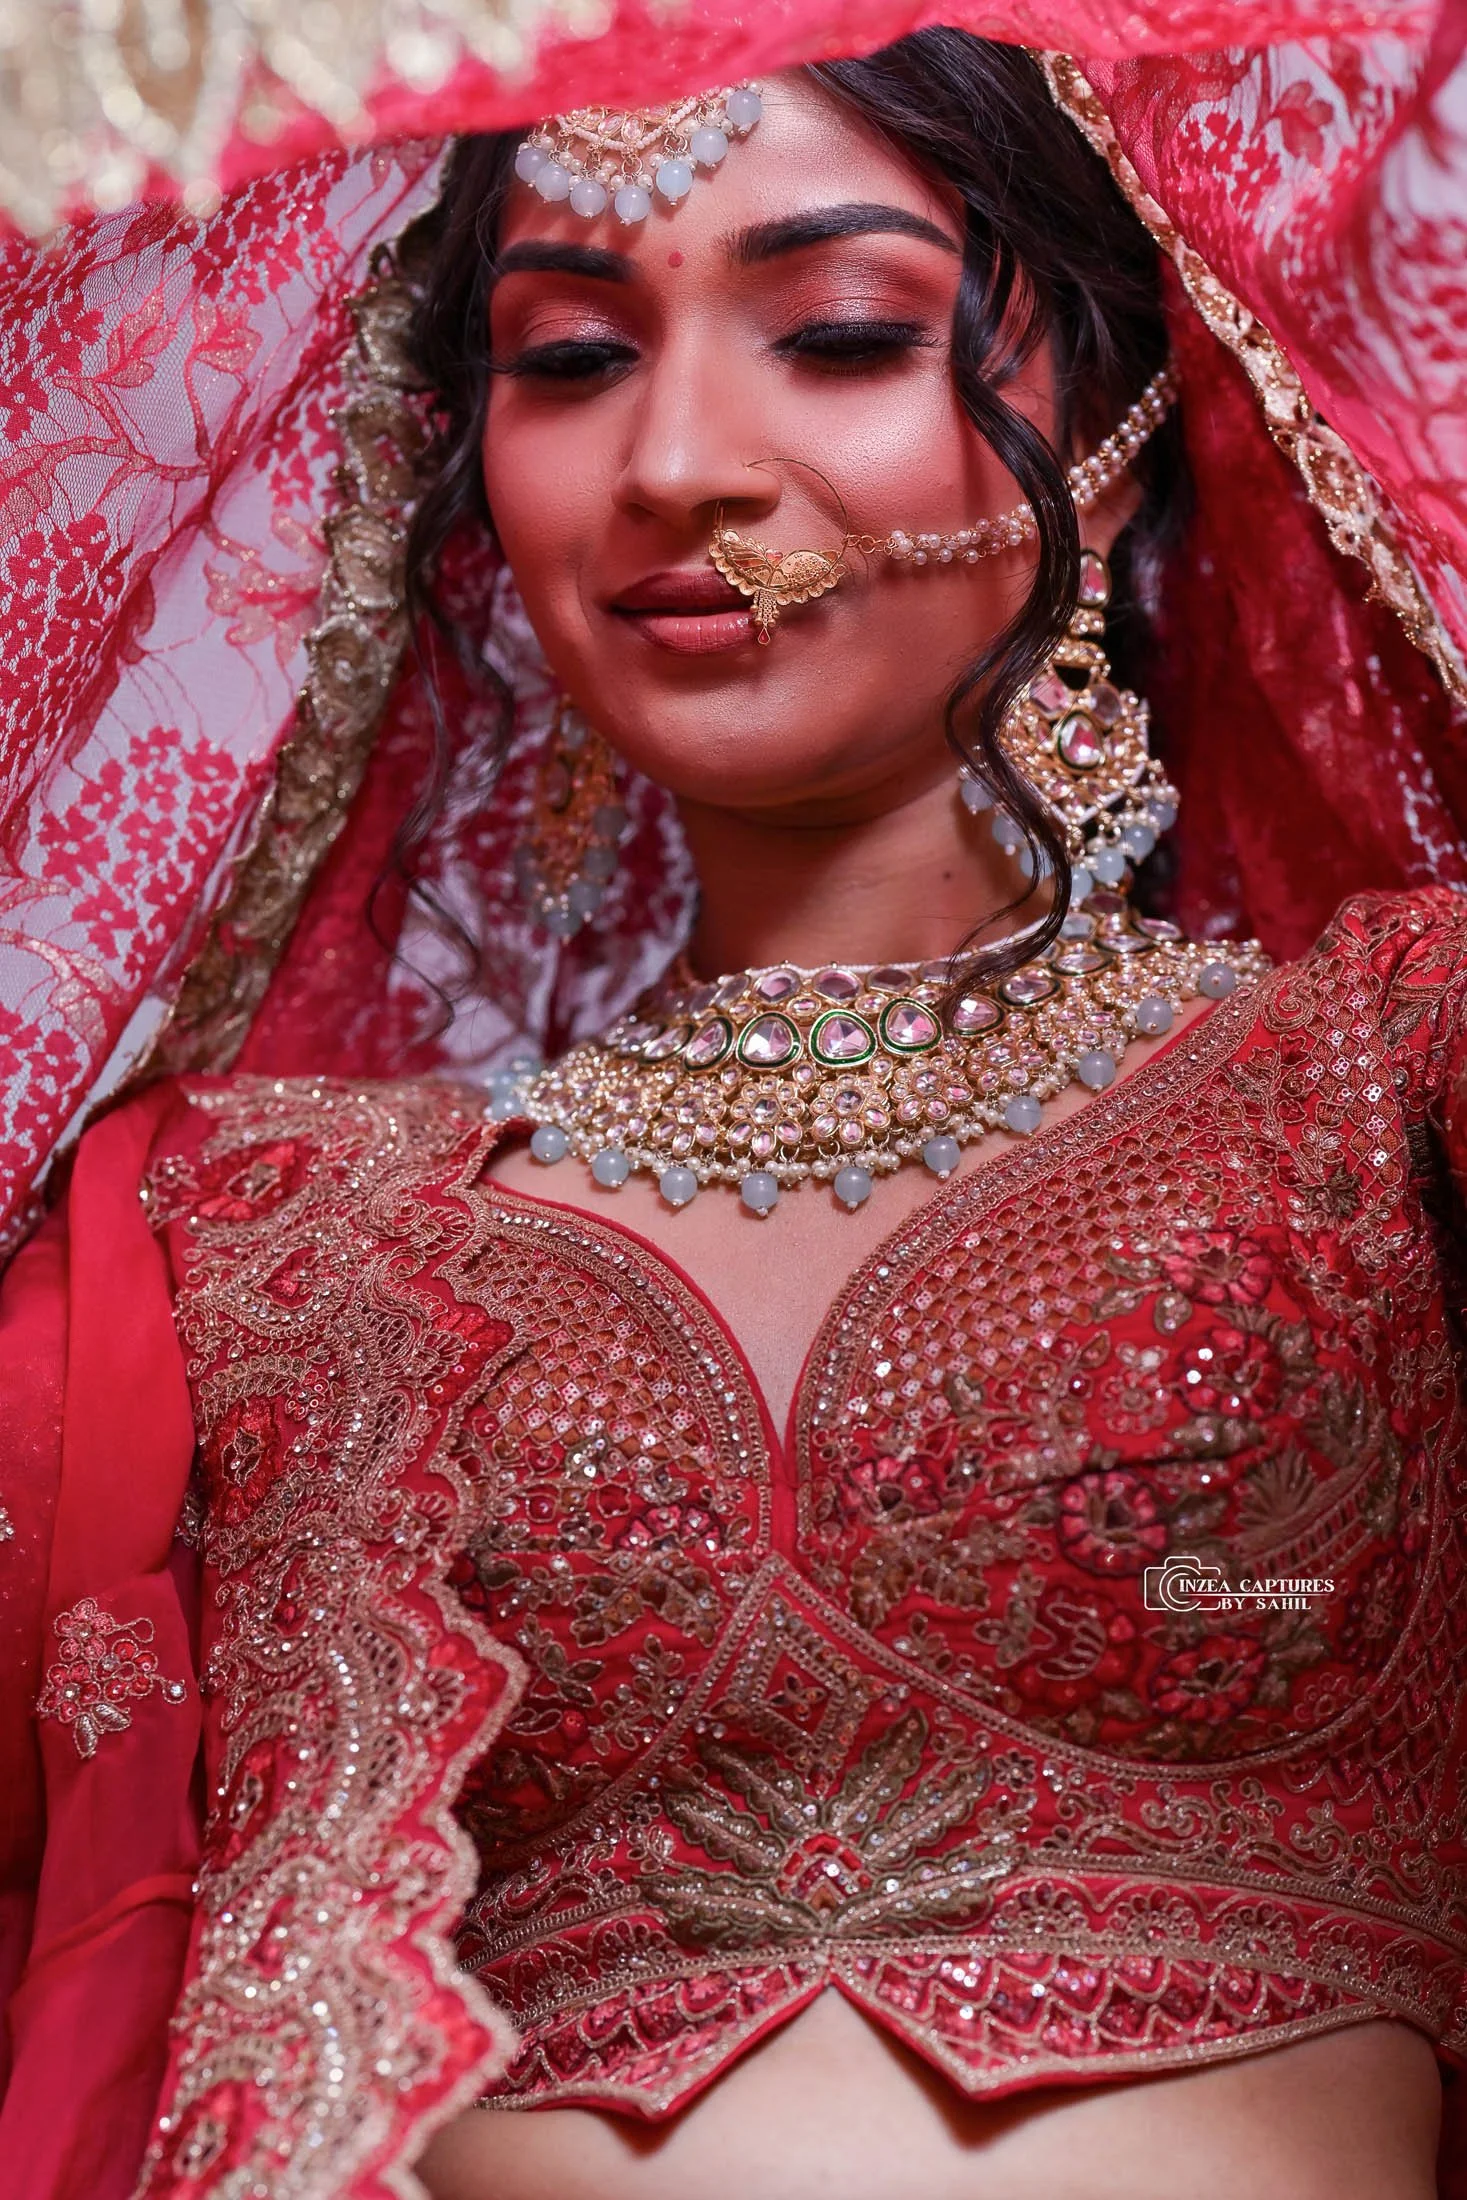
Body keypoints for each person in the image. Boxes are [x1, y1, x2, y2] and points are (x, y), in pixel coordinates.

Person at [0, 17, 1464, 2200]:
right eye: (568, 361)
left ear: (1127, 418)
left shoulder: (1378, 1084)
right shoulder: (235, 1229)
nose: (677, 456)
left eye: (844, 332)